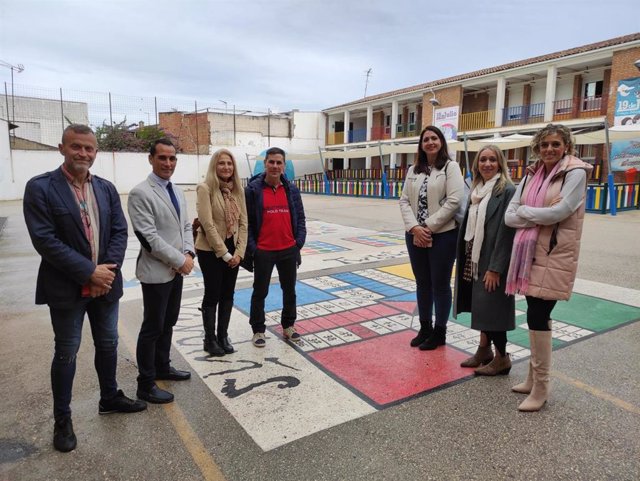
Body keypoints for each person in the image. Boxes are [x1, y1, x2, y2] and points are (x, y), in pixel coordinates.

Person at [23, 124, 146, 453]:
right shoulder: (41, 188)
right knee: (66, 352)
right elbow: (45, 240)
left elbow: (120, 232)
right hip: (66, 289)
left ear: (96, 153)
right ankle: (62, 419)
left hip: (105, 286)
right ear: (61, 148)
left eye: (89, 149)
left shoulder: (105, 189)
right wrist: (89, 272)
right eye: (76, 147)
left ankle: (109, 397)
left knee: (108, 344)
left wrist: (105, 272)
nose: (83, 154)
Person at [505, 124, 592, 412]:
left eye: (555, 144)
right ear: (537, 148)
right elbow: (509, 215)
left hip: (554, 253)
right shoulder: (533, 174)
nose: (549, 150)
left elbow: (561, 211)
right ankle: (533, 378)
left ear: (566, 145)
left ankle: (541, 387)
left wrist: (527, 213)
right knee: (535, 315)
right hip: (530, 252)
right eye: (544, 145)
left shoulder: (575, 172)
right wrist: (540, 215)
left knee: (538, 315)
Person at [128, 138, 194, 404]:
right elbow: (149, 238)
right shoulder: (140, 193)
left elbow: (186, 226)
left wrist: (188, 253)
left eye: (172, 158)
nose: (168, 163)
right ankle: (145, 383)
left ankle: (162, 366)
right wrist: (180, 260)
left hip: (177, 269)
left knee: (169, 322)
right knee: (152, 327)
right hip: (157, 272)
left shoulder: (176, 191)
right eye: (163, 158)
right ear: (151, 159)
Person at [453, 145, 516, 375]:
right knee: (481, 306)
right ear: (476, 164)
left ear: (500, 163)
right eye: (483, 160)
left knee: (493, 308)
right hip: (475, 256)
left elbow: (507, 232)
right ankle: (484, 350)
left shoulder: (507, 190)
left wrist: (496, 268)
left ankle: (502, 358)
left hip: (491, 261)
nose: (487, 164)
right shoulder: (477, 189)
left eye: (492, 160)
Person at [399, 126, 464, 350]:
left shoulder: (450, 166)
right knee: (422, 283)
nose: (430, 142)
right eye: (426, 139)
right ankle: (424, 327)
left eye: (434, 138)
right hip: (415, 235)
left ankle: (439, 332)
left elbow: (454, 201)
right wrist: (415, 228)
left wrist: (427, 227)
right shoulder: (413, 169)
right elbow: (404, 201)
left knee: (440, 284)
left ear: (441, 142)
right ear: (421, 145)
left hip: (443, 236)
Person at [244, 147, 306, 347]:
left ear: (284, 166)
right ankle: (258, 330)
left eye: (279, 163)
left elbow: (301, 218)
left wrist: (298, 243)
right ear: (265, 164)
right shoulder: (253, 190)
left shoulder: (291, 189)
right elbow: (248, 223)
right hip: (264, 251)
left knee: (290, 290)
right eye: (271, 162)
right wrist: (254, 248)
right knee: (259, 291)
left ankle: (288, 326)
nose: (275, 166)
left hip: (288, 249)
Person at [195, 149, 248, 356]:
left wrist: (239, 253)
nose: (226, 167)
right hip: (210, 251)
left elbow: (244, 223)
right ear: (214, 167)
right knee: (213, 293)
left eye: (229, 163)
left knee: (228, 294)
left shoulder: (237, 190)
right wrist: (225, 254)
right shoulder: (205, 188)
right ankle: (210, 339)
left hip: (233, 250)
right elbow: (207, 225)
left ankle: (223, 335)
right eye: (221, 163)